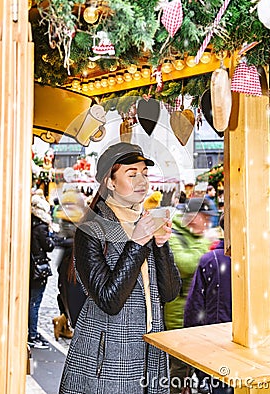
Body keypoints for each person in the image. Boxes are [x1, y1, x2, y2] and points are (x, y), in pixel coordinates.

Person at [59, 142, 181, 394]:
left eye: (145, 174)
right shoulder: (91, 229)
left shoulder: (146, 221)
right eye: (132, 174)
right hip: (108, 352)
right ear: (111, 182)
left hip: (152, 348)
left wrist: (161, 246)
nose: (142, 181)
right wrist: (136, 243)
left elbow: (169, 294)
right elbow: (109, 300)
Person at [184, 214, 270, 394]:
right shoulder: (260, 260)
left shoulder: (210, 260)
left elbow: (193, 311)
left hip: (217, 347)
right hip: (256, 345)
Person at [164, 197, 217, 394]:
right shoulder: (173, 234)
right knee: (179, 374)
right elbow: (185, 264)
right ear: (193, 218)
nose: (208, 224)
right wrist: (207, 246)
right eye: (205, 218)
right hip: (179, 319)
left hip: (200, 320)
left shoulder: (198, 237)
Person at [52, 189, 87, 340]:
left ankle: (64, 322)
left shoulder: (67, 214)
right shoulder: (75, 217)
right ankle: (66, 323)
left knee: (69, 295)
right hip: (72, 261)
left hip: (69, 261)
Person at [28, 192, 56, 349]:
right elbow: (49, 246)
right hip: (39, 269)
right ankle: (32, 335)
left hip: (30, 267)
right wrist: (51, 234)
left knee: (30, 301)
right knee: (35, 302)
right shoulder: (41, 227)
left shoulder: (29, 223)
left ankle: (30, 332)